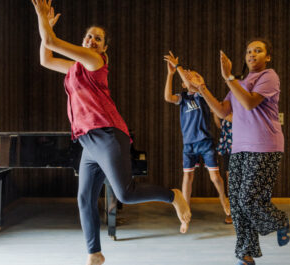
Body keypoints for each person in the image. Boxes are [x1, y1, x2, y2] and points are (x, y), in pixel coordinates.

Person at [31, 1, 191, 265]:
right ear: (83, 40)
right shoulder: (74, 69)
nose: (92, 40)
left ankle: (173, 195)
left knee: (125, 193)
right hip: (88, 141)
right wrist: (47, 26)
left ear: (105, 48)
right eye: (89, 36)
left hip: (107, 134)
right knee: (84, 199)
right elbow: (45, 58)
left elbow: (51, 42)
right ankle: (94, 254)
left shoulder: (96, 61)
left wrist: (43, 19)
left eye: (98, 38)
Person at [178, 39, 290, 265]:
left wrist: (228, 77)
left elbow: (249, 103)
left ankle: (279, 220)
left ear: (267, 57)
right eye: (249, 51)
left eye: (258, 51)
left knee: (249, 200)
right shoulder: (238, 82)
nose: (252, 54)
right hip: (239, 148)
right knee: (237, 205)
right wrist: (202, 88)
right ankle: (245, 256)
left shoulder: (269, 76)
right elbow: (221, 110)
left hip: (265, 147)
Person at [163, 53, 231, 230]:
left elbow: (194, 83)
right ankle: (185, 215)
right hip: (189, 144)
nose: (192, 76)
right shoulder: (183, 98)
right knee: (188, 177)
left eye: (196, 75)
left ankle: (224, 200)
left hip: (205, 142)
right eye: (189, 76)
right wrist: (171, 74)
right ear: (184, 85)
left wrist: (180, 68)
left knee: (215, 177)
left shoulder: (202, 96)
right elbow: (167, 97)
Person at [214, 112, 233, 225]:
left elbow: (235, 120)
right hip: (228, 149)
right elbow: (220, 126)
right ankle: (231, 213)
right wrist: (216, 114)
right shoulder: (226, 108)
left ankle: (245, 213)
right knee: (230, 180)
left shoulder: (242, 107)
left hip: (242, 147)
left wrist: (217, 110)